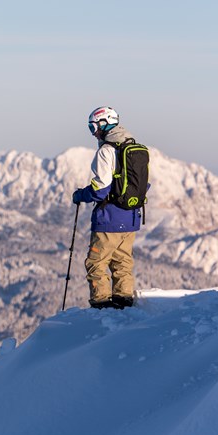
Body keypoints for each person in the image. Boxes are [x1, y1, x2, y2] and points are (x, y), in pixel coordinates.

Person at [71, 106, 142, 309]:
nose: (93, 132)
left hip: (109, 218)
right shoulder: (134, 149)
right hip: (131, 217)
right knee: (122, 262)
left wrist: (81, 195)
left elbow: (100, 189)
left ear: (104, 124)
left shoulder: (106, 151)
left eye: (93, 126)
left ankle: (101, 304)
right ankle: (124, 300)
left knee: (96, 262)